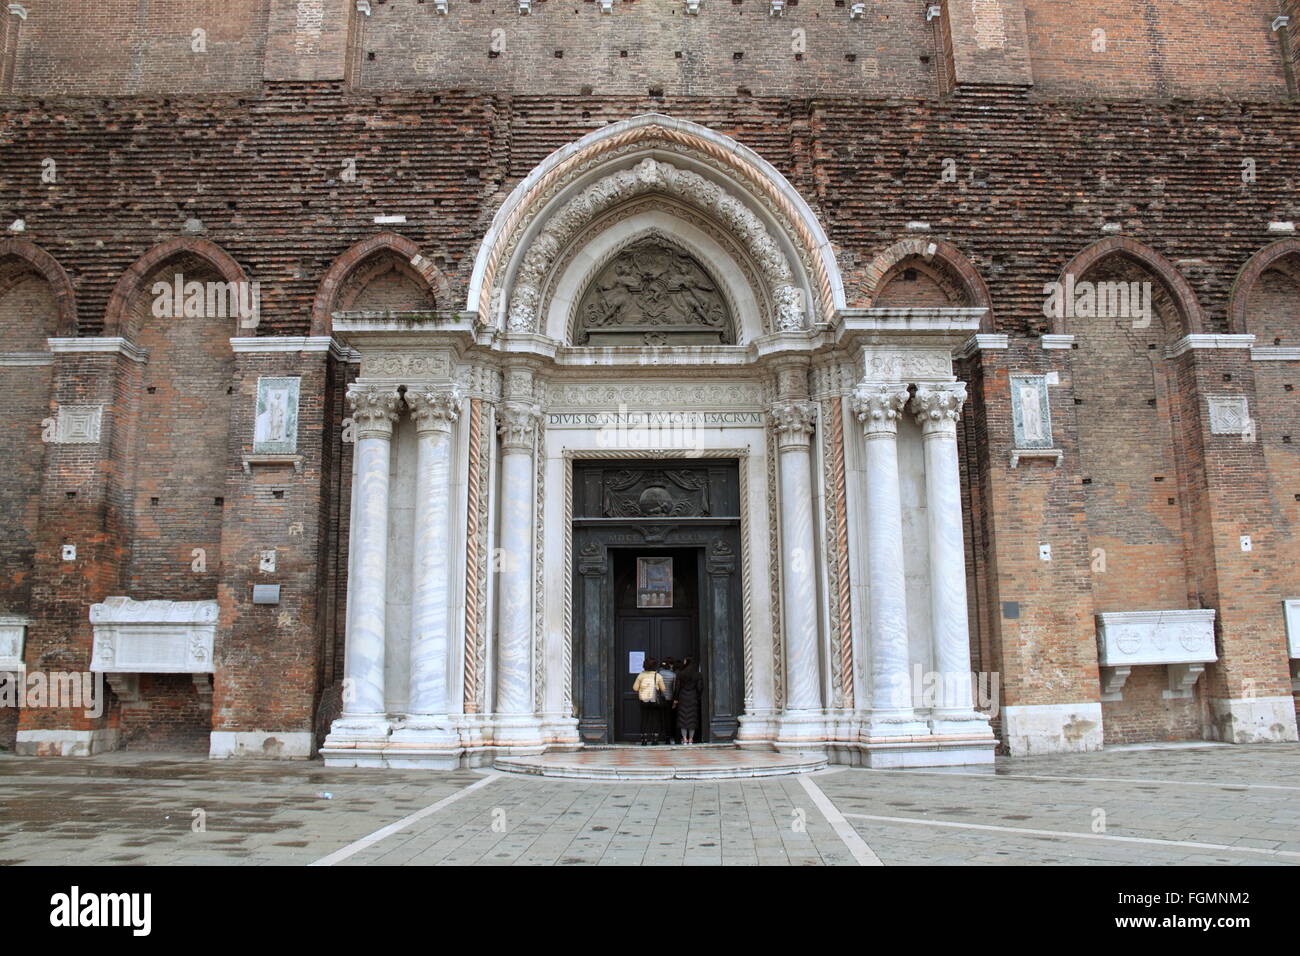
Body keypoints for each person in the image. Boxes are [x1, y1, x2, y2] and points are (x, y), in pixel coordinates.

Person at [632, 658, 666, 746]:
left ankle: (644, 739)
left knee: (644, 719)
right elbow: (663, 689)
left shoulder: (641, 675)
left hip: (644, 700)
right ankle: (655, 739)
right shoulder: (657, 676)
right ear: (655, 666)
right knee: (655, 719)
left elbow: (635, 688)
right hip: (654, 700)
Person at [673, 657, 702, 744]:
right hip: (693, 697)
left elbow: (677, 688)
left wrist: (676, 699)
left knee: (683, 719)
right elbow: (700, 687)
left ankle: (684, 738)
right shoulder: (698, 674)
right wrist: (697, 696)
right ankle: (691, 739)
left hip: (683, 697)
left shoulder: (681, 674)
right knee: (692, 719)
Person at [658, 657, 678, 745]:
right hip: (669, 699)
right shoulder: (673, 675)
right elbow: (674, 689)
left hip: (660, 698)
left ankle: (658, 736)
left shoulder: (659, 673)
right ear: (671, 665)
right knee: (669, 719)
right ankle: (668, 737)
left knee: (659, 718)